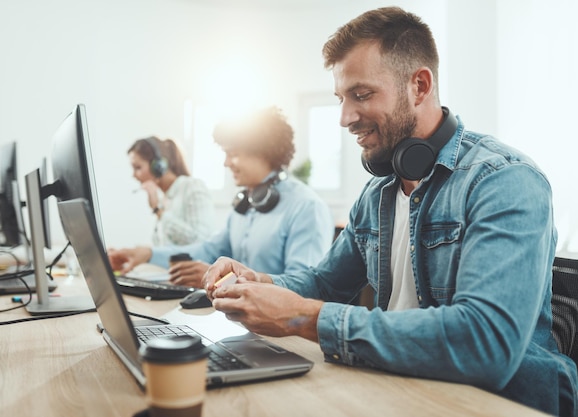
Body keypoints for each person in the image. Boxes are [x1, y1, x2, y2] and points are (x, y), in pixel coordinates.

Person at [202, 7, 578, 416]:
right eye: (341, 99)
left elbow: (484, 343)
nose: (345, 117)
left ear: (419, 85)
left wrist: (304, 318)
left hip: (496, 405)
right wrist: (261, 281)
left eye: (361, 95)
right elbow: (325, 283)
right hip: (398, 390)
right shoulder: (378, 192)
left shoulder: (504, 181)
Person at [109, 106, 334, 288]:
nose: (226, 163)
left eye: (233, 154)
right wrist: (146, 253)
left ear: (264, 152)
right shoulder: (246, 205)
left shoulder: (306, 207)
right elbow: (206, 250)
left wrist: (222, 281)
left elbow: (305, 289)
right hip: (243, 324)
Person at [128, 136, 214, 246]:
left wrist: (158, 211)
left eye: (138, 168)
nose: (134, 175)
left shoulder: (192, 186)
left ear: (158, 166)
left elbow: (201, 241)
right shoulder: (164, 197)